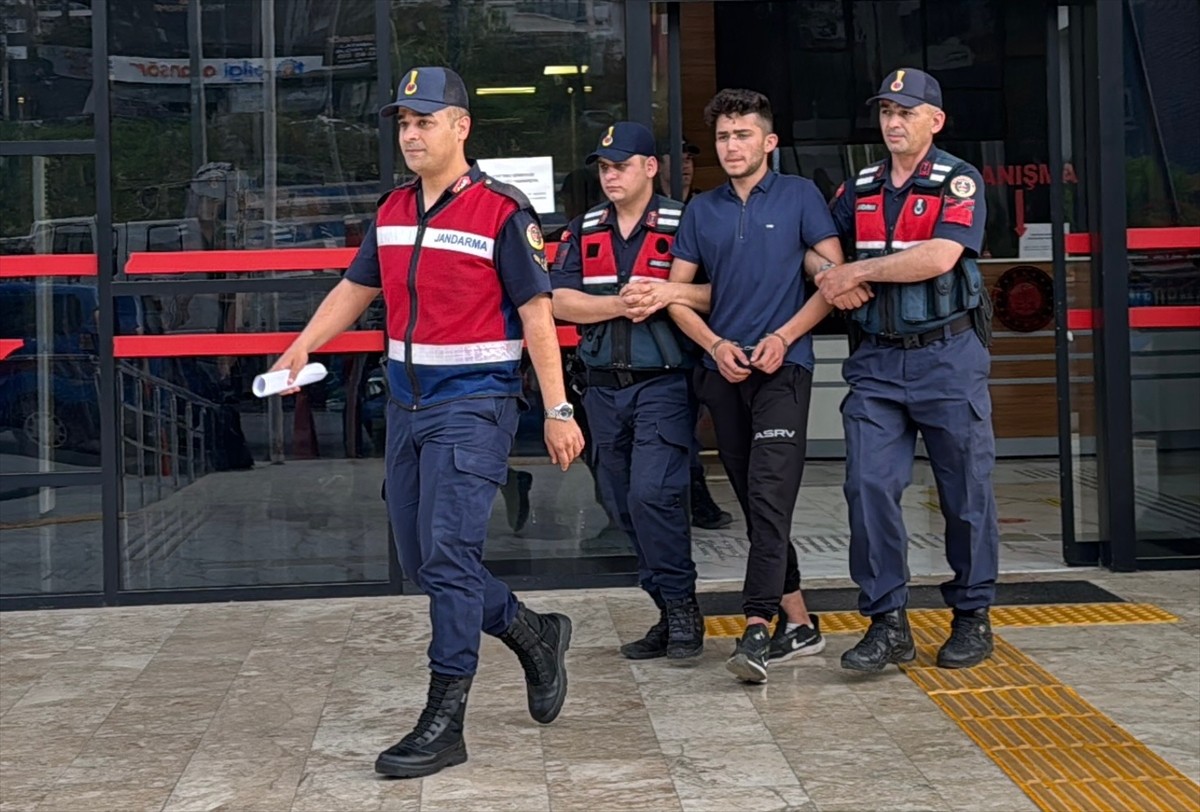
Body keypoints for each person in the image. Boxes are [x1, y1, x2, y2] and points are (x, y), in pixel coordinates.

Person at [269, 66, 585, 778]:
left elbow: (538, 316)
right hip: (407, 405)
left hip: (474, 405)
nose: (411, 134)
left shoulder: (504, 212)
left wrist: (559, 408)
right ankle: (533, 633)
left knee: (446, 555)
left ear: (460, 126)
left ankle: (445, 721)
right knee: (424, 563)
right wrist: (303, 345)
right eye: (403, 124)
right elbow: (358, 287)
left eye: (425, 120)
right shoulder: (392, 210)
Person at [663, 88, 867, 684]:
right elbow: (678, 295)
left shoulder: (801, 197)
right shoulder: (701, 210)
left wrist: (782, 337)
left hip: (787, 369)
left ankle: (756, 626)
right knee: (756, 501)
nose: (732, 146)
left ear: (769, 142)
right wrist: (714, 345)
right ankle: (799, 622)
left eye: (743, 134)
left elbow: (833, 281)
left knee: (770, 496)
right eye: (724, 136)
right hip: (724, 372)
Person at [808, 67, 997, 673]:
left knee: (965, 494)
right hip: (877, 362)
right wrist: (825, 272)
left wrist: (857, 273)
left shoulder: (957, 181)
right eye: (887, 112)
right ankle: (887, 622)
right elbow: (817, 244)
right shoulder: (859, 186)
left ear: (934, 121)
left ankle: (972, 615)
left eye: (906, 112)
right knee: (867, 487)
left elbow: (941, 256)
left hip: (947, 356)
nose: (893, 122)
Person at [550, 122, 707, 661]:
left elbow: (720, 294)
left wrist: (668, 293)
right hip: (602, 389)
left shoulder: (687, 224)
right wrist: (620, 303)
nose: (610, 175)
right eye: (604, 167)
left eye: (621, 165)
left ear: (650, 167)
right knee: (619, 504)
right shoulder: (585, 227)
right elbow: (557, 301)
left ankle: (684, 608)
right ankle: (665, 607)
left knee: (653, 495)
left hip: (663, 383)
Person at [651, 137, 733, 531]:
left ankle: (694, 499)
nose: (684, 165)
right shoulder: (649, 213)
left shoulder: (704, 209)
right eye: (675, 157)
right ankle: (691, 500)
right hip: (658, 339)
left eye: (688, 158)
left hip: (706, 332)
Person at [656, 137, 700, 202]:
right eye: (677, 159)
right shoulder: (649, 205)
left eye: (688, 158)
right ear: (658, 166)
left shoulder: (703, 204)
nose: (685, 165)